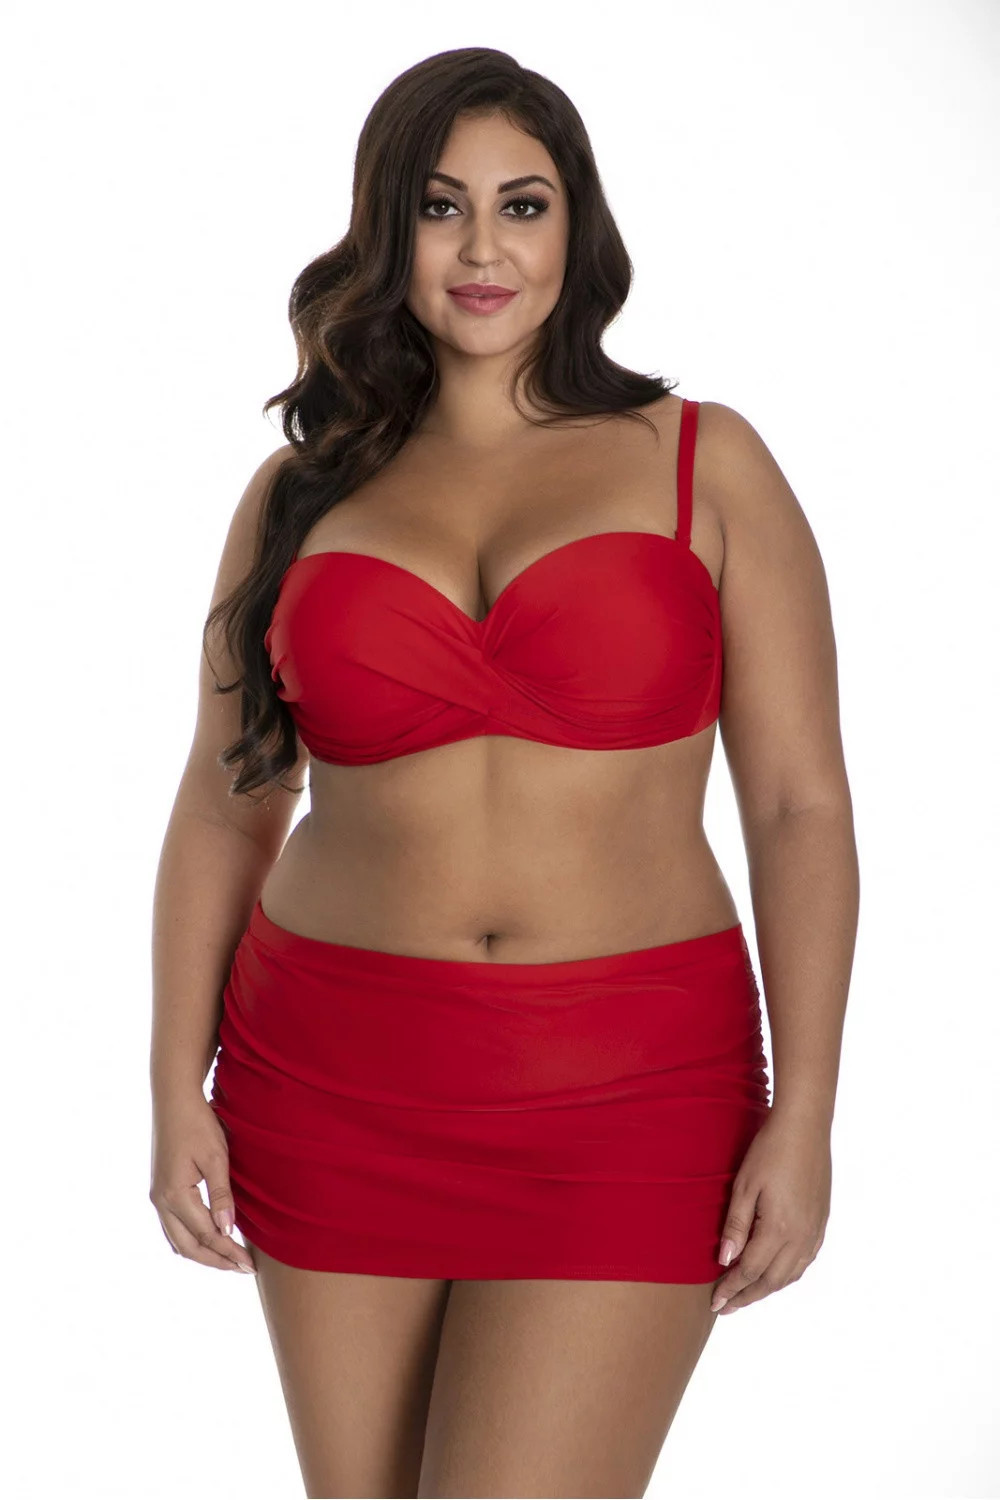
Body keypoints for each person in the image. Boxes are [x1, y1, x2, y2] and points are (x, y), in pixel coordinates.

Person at [149, 46, 859, 1500]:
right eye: (440, 206)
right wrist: (174, 1085)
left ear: (575, 227)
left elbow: (799, 809)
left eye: (521, 206)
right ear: (386, 229)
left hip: (630, 1091)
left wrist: (808, 1112)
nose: (483, 249)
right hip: (327, 1077)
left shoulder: (706, 463)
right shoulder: (300, 493)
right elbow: (225, 804)